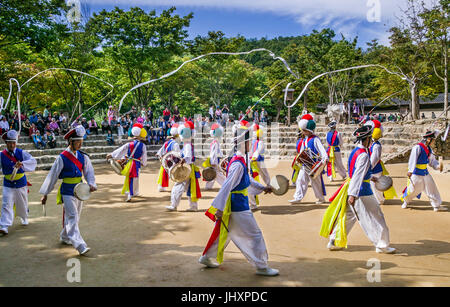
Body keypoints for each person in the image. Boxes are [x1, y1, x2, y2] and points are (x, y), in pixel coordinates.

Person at [198, 120, 278, 276]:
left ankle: (206, 257)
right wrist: (219, 209)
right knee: (255, 235)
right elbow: (227, 186)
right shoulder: (238, 164)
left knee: (225, 232)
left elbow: (248, 180)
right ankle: (261, 266)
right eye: (249, 142)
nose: (251, 144)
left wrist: (263, 187)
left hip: (236, 204)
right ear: (244, 143)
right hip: (238, 206)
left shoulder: (239, 161)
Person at [320, 124, 396, 254]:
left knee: (349, 216)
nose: (371, 141)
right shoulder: (364, 155)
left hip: (354, 189)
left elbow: (357, 173)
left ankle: (333, 240)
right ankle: (381, 244)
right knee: (375, 217)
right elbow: (358, 175)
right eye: (370, 139)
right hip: (362, 191)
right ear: (366, 139)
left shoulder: (355, 152)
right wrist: (353, 195)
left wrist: (372, 178)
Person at [39, 126, 97, 255]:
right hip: (67, 191)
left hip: (80, 191)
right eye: (78, 141)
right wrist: (45, 194)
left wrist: (91, 185)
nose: (81, 144)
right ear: (70, 142)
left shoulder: (83, 157)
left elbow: (89, 173)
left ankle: (65, 236)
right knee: (72, 216)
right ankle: (80, 245)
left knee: (76, 217)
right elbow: (52, 176)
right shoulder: (62, 158)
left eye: (81, 141)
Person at [0, 130, 37, 236]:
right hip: (8, 183)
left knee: (22, 203)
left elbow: (33, 161)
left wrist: (22, 163)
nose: (12, 145)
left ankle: (24, 217)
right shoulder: (1, 155)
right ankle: (4, 226)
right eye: (9, 142)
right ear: (6, 143)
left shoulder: (21, 153)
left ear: (16, 143)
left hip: (21, 182)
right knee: (6, 203)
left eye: (13, 142)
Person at [401, 131, 446, 211]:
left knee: (432, 188)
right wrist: (410, 170)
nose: (434, 141)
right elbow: (412, 159)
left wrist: (438, 166)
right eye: (433, 140)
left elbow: (432, 161)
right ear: (429, 139)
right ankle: (406, 201)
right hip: (416, 173)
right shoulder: (417, 147)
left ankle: (436, 205)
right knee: (413, 189)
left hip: (425, 172)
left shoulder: (429, 149)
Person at [289, 115, 328, 204]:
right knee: (300, 179)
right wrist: (300, 158)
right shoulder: (305, 140)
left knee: (315, 182)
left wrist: (325, 158)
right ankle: (298, 197)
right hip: (305, 164)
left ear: (308, 130)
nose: (302, 131)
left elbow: (322, 149)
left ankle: (321, 198)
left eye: (304, 130)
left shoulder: (315, 139)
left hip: (314, 164)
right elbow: (302, 151)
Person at [166, 121, 202, 212]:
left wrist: (182, 160)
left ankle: (174, 205)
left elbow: (187, 156)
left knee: (178, 185)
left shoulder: (187, 145)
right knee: (189, 187)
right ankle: (193, 206)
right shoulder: (188, 144)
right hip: (190, 168)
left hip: (185, 168)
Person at [108, 123, 148, 202]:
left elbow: (120, 150)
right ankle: (132, 193)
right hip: (137, 164)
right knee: (136, 178)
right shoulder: (143, 145)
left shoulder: (129, 144)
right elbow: (144, 155)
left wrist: (112, 155)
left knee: (129, 178)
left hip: (129, 163)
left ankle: (130, 193)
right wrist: (144, 163)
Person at [368, 120, 397, 205]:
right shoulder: (373, 144)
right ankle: (378, 199)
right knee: (373, 185)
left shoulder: (376, 146)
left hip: (375, 169)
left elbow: (374, 159)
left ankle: (380, 200)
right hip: (375, 168)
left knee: (376, 186)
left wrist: (369, 168)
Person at [248, 124, 271, 210]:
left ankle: (268, 184)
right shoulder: (252, 142)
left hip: (258, 159)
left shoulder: (260, 142)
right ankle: (267, 185)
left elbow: (258, 150)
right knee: (258, 175)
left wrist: (254, 156)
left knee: (264, 173)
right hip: (253, 161)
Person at [156, 124, 180, 192]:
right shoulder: (175, 144)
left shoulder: (166, 142)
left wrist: (161, 158)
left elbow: (160, 151)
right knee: (176, 173)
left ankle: (161, 187)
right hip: (172, 161)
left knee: (163, 173)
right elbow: (177, 154)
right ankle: (177, 187)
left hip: (165, 160)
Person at [204, 123, 226, 191]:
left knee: (212, 173)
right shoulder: (215, 142)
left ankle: (208, 186)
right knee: (217, 174)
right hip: (215, 161)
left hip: (214, 160)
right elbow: (213, 153)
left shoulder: (214, 142)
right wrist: (214, 162)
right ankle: (225, 184)